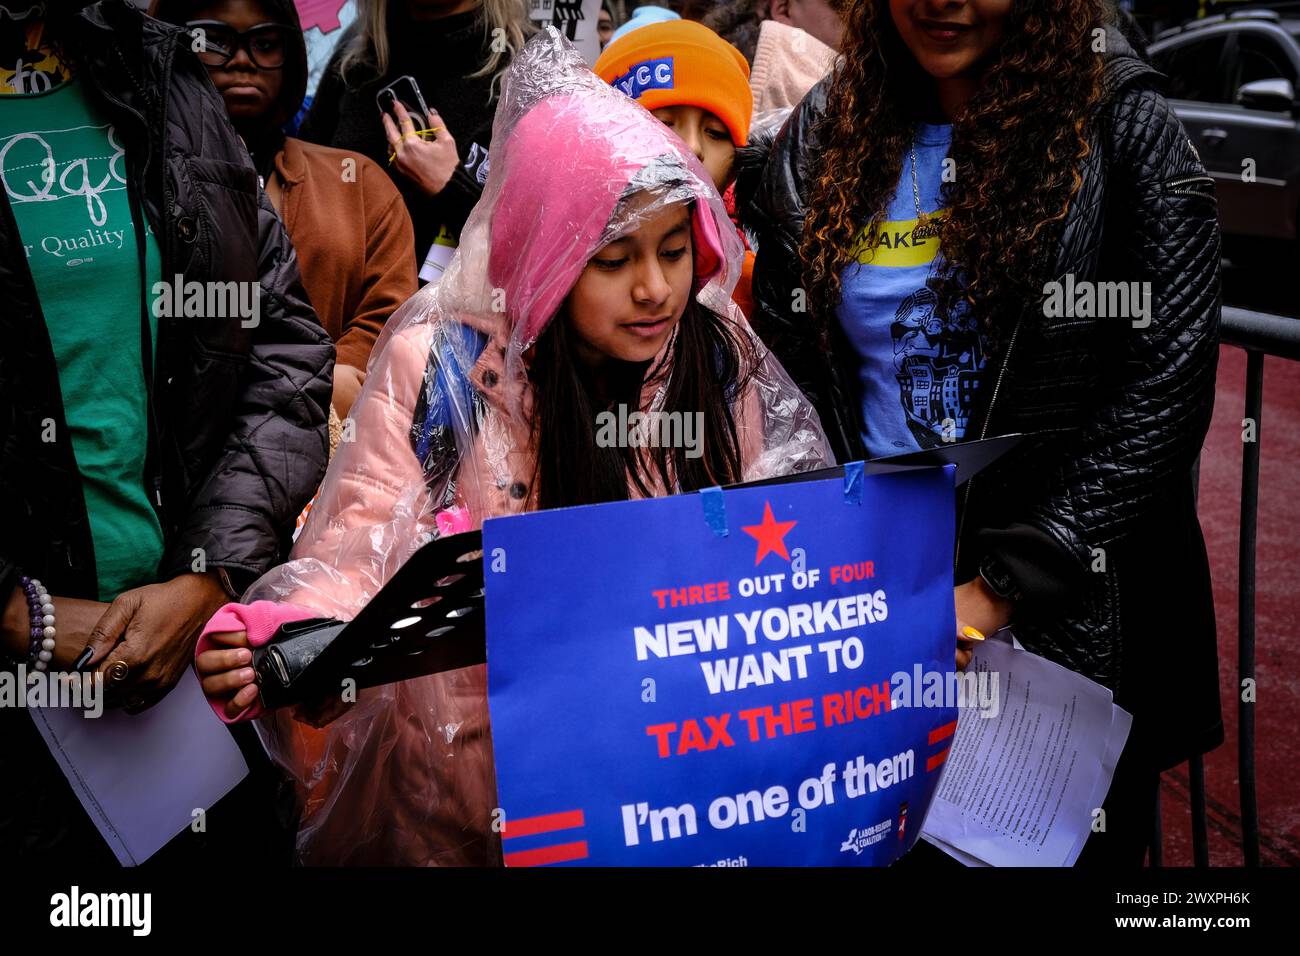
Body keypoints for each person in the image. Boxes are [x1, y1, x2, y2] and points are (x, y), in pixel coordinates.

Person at [193, 26, 833, 866]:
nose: (655, 289)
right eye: (613, 260)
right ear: (546, 252)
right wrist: (285, 639)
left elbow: (774, 546)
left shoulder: (715, 361)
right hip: (464, 808)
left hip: (660, 797)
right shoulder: (443, 367)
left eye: (676, 252)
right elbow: (357, 556)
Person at [747, 0, 1222, 865]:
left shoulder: (1122, 127)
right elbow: (792, 385)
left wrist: (1003, 584)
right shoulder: (826, 130)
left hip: (1070, 630)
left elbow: (1166, 382)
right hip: (892, 613)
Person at [0, 0, 331, 862]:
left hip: (187, 689)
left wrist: (208, 576)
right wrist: (15, 617)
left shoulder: (161, 74)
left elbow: (282, 345)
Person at [154, 0, 417, 420]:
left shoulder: (359, 185)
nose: (241, 59)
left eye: (265, 43)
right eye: (214, 40)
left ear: (290, 56)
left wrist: (326, 386)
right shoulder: (133, 183)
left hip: (327, 459)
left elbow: (388, 320)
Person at [298, 0, 533, 282]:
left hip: (460, 321)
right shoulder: (353, 65)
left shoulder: (533, 68)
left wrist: (452, 186)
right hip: (343, 315)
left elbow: (545, 255)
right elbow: (298, 196)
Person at [595, 20, 759, 316]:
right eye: (664, 123)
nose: (693, 147)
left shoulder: (752, 285)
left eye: (716, 133)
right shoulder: (558, 268)